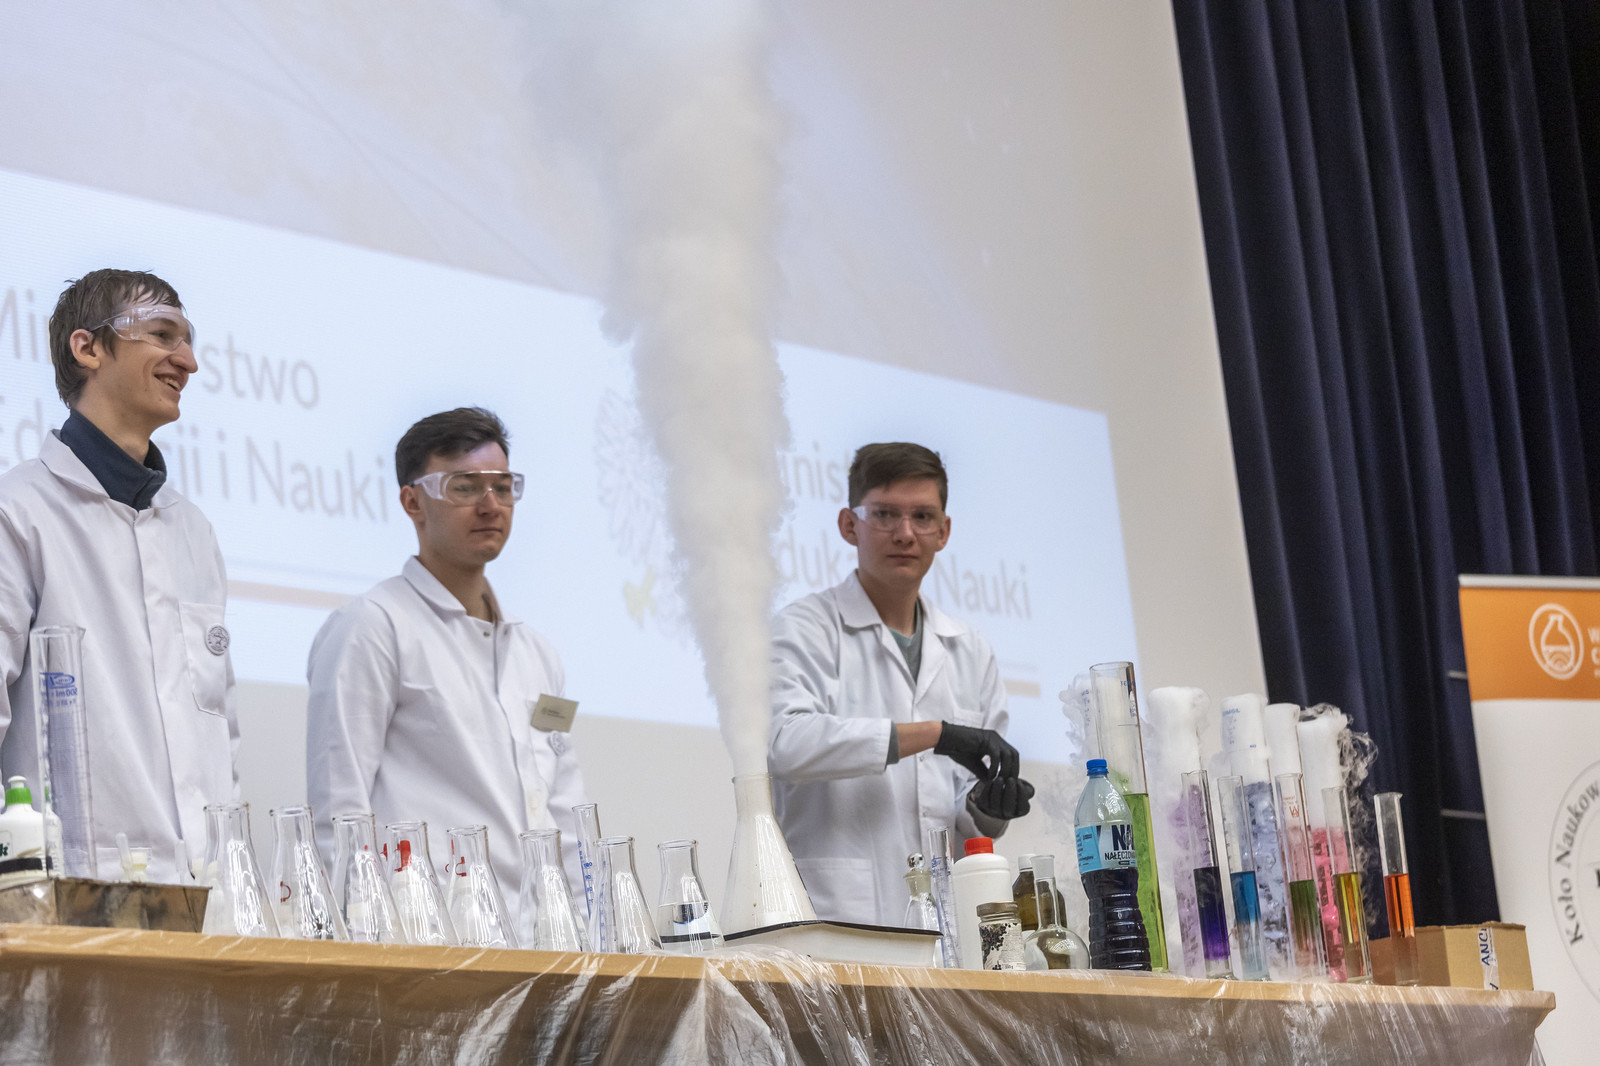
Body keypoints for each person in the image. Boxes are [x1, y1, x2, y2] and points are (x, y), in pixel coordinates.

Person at [0, 269, 236, 882]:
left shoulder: (194, 531)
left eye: (188, 341)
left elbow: (219, 736)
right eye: (162, 335)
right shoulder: (17, 512)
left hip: (204, 900)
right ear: (88, 348)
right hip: (69, 896)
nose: (187, 361)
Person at [306, 407, 587, 907]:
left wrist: (591, 928)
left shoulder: (538, 654)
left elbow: (566, 811)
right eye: (465, 487)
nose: (491, 505)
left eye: (503, 487)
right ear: (412, 502)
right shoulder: (373, 626)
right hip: (430, 935)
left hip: (544, 937)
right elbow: (339, 813)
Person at [768, 442, 1033, 925]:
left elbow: (965, 816)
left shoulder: (970, 650)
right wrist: (936, 734)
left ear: (943, 531)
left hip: (946, 923)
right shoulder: (804, 628)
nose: (905, 533)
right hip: (836, 915)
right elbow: (786, 744)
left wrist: (987, 808)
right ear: (849, 525)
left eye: (922, 517)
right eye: (885, 514)